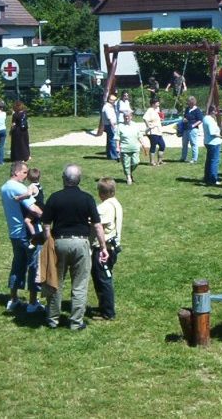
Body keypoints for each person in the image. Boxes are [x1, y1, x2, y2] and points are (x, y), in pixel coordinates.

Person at [40, 164, 109, 330]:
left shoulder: (55, 197)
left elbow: (46, 224)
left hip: (59, 242)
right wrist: (103, 246)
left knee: (55, 282)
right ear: (79, 180)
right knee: (80, 284)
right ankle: (76, 322)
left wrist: (48, 241)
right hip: (81, 243)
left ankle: (52, 319)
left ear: (64, 178)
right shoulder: (87, 198)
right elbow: (98, 226)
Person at [1, 161, 44, 314]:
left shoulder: (4, 187)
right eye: (25, 173)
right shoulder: (18, 187)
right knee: (34, 266)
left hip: (14, 233)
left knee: (17, 265)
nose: (27, 176)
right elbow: (34, 209)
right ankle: (33, 302)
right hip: (27, 234)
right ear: (17, 172)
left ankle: (13, 299)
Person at [91, 177, 123, 320]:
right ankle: (103, 306)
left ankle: (108, 312)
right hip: (113, 247)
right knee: (101, 278)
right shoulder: (116, 203)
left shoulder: (104, 207)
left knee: (103, 279)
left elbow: (99, 227)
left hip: (103, 249)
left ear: (101, 193)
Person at [116, 111, 142, 185]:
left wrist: (143, 143)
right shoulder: (120, 126)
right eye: (125, 116)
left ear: (131, 117)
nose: (127, 117)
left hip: (135, 147)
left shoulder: (135, 125)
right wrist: (117, 147)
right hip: (124, 148)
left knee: (136, 162)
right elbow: (117, 138)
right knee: (126, 164)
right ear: (123, 117)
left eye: (128, 116)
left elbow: (139, 135)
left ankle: (129, 172)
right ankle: (128, 177)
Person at [202, 105, 222, 185]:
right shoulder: (210, 120)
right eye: (216, 111)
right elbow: (212, 132)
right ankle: (213, 179)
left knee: (209, 160)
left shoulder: (205, 118)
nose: (217, 113)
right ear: (212, 111)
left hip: (208, 142)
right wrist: (221, 136)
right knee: (214, 161)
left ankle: (207, 177)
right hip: (214, 142)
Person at [180, 95, 204, 164]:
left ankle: (194, 159)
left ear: (193, 102)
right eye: (188, 102)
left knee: (193, 144)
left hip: (193, 130)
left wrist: (193, 125)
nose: (188, 103)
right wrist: (184, 119)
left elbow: (200, 120)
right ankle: (183, 157)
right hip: (185, 129)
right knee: (184, 144)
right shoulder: (187, 109)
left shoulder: (197, 110)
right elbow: (185, 116)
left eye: (189, 102)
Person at [143, 98, 166, 166]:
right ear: (153, 104)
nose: (158, 103)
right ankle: (152, 162)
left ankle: (160, 160)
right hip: (153, 132)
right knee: (153, 146)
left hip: (158, 131)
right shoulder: (150, 110)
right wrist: (148, 126)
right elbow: (145, 118)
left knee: (162, 145)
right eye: (157, 102)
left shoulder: (156, 110)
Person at [101, 94, 119, 161]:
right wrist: (113, 127)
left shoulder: (110, 106)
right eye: (113, 100)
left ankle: (109, 155)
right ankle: (114, 156)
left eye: (115, 100)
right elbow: (109, 118)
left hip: (110, 125)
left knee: (110, 141)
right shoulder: (107, 107)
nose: (114, 101)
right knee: (113, 141)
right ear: (109, 100)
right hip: (110, 125)